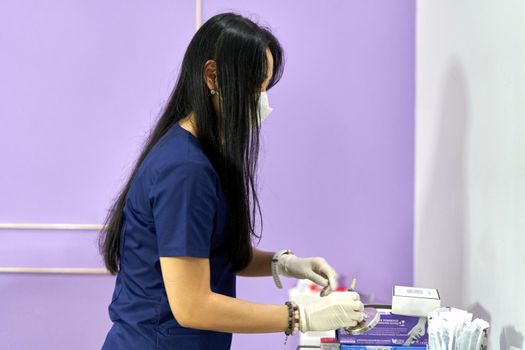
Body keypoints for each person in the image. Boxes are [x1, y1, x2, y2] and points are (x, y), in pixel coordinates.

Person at [99, 12, 364, 350]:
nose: (263, 100)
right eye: (256, 87)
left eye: (266, 88)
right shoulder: (184, 170)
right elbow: (192, 306)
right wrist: (301, 316)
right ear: (213, 75)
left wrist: (283, 264)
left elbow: (214, 253)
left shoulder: (205, 155)